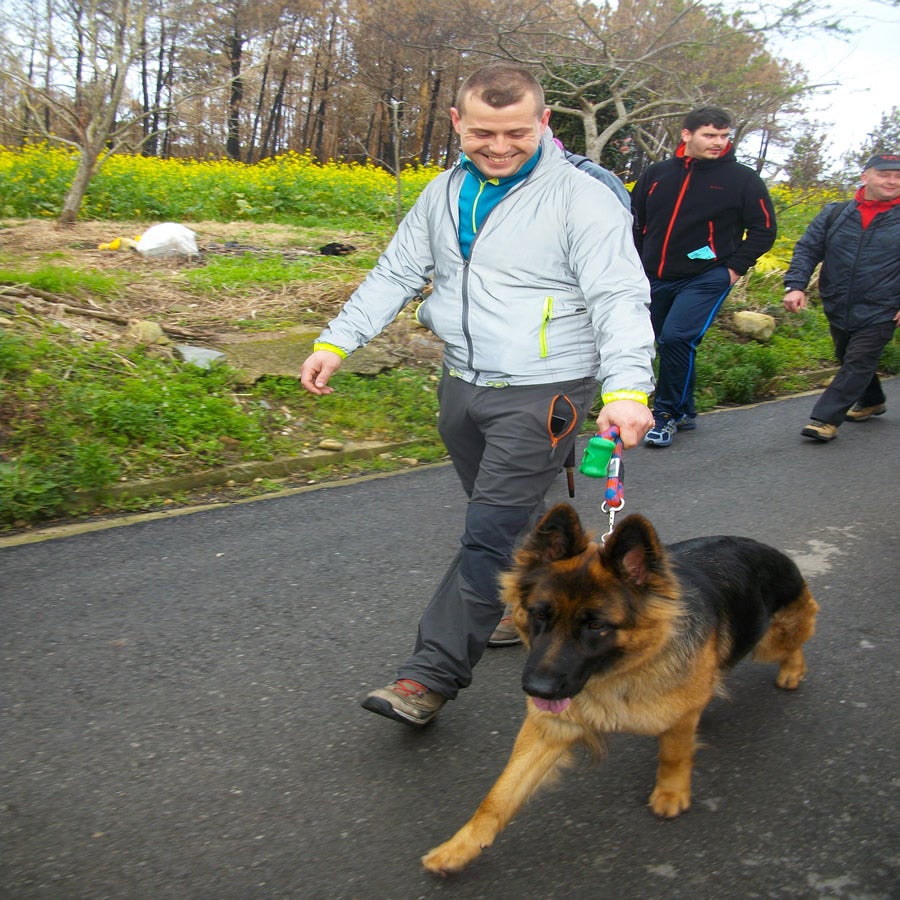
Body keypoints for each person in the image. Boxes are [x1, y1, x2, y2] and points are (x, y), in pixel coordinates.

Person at [299, 62, 655, 727]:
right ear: (457, 123)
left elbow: (619, 297)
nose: (498, 146)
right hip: (462, 382)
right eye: (483, 133)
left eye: (516, 132)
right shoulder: (441, 192)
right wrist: (335, 342)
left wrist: (628, 386)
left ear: (544, 123)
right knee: (516, 521)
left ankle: (428, 675)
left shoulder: (582, 199)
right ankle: (512, 603)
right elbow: (393, 274)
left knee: (489, 530)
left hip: (545, 389)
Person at [630, 106, 777, 447]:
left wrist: (733, 269)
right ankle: (686, 409)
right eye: (710, 135)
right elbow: (634, 221)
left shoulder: (742, 179)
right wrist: (634, 262)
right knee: (664, 340)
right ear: (687, 135)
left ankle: (664, 415)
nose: (718, 142)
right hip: (654, 275)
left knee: (676, 338)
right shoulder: (657, 174)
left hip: (707, 275)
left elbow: (764, 229)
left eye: (724, 136)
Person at [783, 153, 900, 442]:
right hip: (838, 302)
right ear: (865, 177)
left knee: (858, 360)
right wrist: (795, 285)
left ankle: (825, 419)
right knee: (848, 357)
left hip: (884, 306)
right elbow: (808, 248)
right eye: (885, 174)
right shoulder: (836, 213)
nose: (892, 181)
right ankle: (872, 399)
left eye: (898, 177)